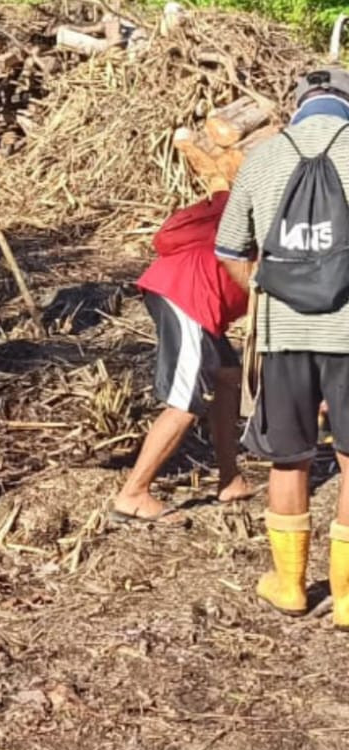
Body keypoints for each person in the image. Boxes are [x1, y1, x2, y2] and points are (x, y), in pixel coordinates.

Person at [216, 67, 349, 622]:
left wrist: (265, 291)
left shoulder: (265, 156)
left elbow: (228, 248)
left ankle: (289, 585)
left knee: (289, 458)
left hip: (283, 334)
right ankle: (346, 598)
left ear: (297, 107)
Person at [112, 193, 253, 524]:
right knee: (188, 398)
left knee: (227, 377)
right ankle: (133, 494)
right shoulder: (289, 211)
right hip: (189, 293)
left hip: (193, 293)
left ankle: (230, 478)